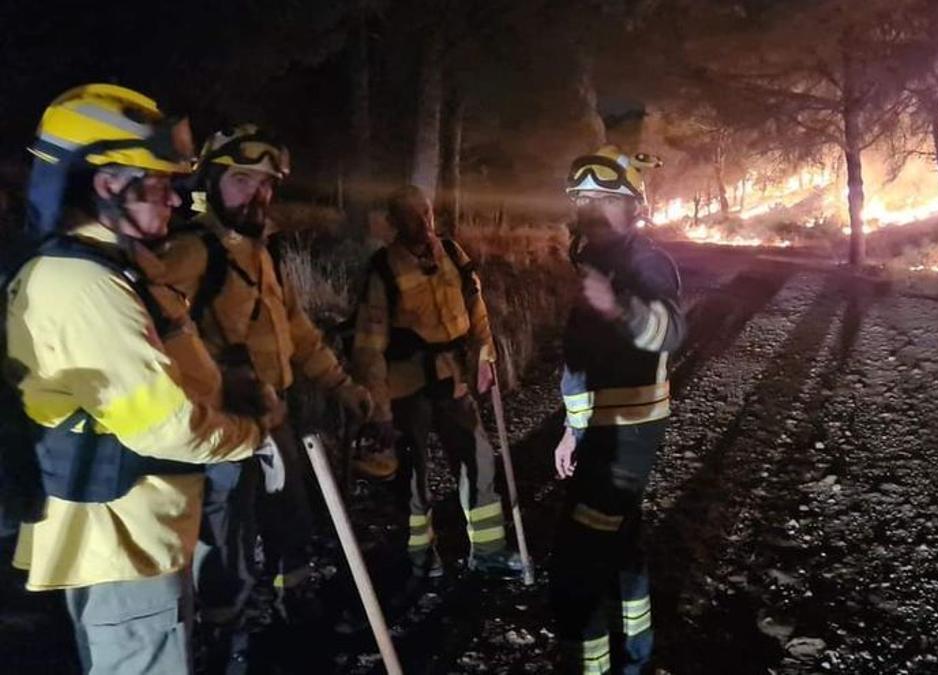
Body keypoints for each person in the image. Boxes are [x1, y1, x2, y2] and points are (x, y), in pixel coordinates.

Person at [5, 83, 275, 674]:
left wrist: (225, 386)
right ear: (106, 184)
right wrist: (252, 432)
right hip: (123, 545)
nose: (175, 202)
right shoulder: (82, 286)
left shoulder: (114, 269)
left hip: (136, 535)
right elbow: (164, 427)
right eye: (157, 185)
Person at [156, 124, 375, 664]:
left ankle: (292, 614)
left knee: (290, 520)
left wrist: (343, 386)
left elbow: (297, 332)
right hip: (223, 427)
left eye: (266, 184)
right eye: (242, 181)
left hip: (276, 415)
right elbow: (155, 343)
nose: (258, 194)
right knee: (225, 541)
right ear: (211, 181)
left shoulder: (260, 253)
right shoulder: (189, 252)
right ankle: (222, 641)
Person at [550, 145, 685, 674]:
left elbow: (671, 330)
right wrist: (571, 428)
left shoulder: (646, 261)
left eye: (602, 199)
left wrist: (620, 307)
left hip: (626, 433)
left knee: (577, 567)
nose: (588, 208)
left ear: (632, 207)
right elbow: (581, 361)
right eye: (582, 198)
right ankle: (636, 651)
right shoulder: (594, 260)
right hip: (603, 429)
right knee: (622, 539)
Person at [350, 185, 524, 579]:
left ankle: (488, 551)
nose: (422, 223)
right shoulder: (382, 269)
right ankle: (421, 557)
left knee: (478, 459)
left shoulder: (453, 255)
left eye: (426, 214)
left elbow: (476, 310)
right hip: (406, 386)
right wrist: (379, 410)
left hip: (453, 377)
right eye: (411, 216)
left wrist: (486, 356)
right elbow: (368, 347)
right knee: (413, 474)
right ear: (393, 223)